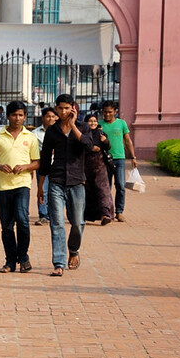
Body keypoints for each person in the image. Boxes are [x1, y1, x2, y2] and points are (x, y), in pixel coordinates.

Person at [37, 94, 94, 277]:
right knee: (57, 223)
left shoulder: (83, 127)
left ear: (73, 108)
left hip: (77, 181)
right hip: (56, 180)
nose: (63, 112)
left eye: (66, 108)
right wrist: (40, 186)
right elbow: (45, 158)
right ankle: (59, 262)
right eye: (60, 108)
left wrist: (73, 126)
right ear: (56, 108)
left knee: (77, 222)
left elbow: (88, 145)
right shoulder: (52, 131)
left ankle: (74, 250)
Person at [0, 101, 40, 273]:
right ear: (8, 116)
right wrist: (0, 166)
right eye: (14, 115)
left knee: (23, 220)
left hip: (22, 184)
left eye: (21, 115)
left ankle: (23, 257)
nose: (17, 118)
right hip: (3, 186)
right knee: (7, 226)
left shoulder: (30, 137)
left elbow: (37, 162)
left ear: (25, 117)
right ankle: (10, 262)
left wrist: (25, 167)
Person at [98, 100, 137, 222]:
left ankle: (119, 211)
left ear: (115, 112)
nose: (107, 114)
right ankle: (108, 212)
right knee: (106, 187)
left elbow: (127, 140)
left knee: (120, 185)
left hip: (119, 158)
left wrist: (133, 156)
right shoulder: (99, 125)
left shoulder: (121, 123)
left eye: (110, 112)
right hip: (104, 159)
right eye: (105, 112)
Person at [83, 113, 115, 225]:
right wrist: (90, 148)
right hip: (85, 168)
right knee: (88, 192)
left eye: (95, 121)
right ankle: (86, 215)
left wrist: (104, 141)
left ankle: (105, 215)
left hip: (100, 167)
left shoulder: (101, 133)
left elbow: (108, 147)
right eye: (90, 121)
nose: (93, 123)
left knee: (103, 191)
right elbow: (79, 148)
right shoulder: (82, 134)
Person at [32, 107, 58, 226]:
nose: (50, 119)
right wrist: (48, 151)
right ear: (43, 118)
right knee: (43, 189)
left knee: (56, 191)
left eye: (53, 116)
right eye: (48, 116)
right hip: (42, 165)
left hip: (58, 165)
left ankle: (54, 214)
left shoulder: (60, 131)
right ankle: (43, 214)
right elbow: (35, 152)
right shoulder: (35, 134)